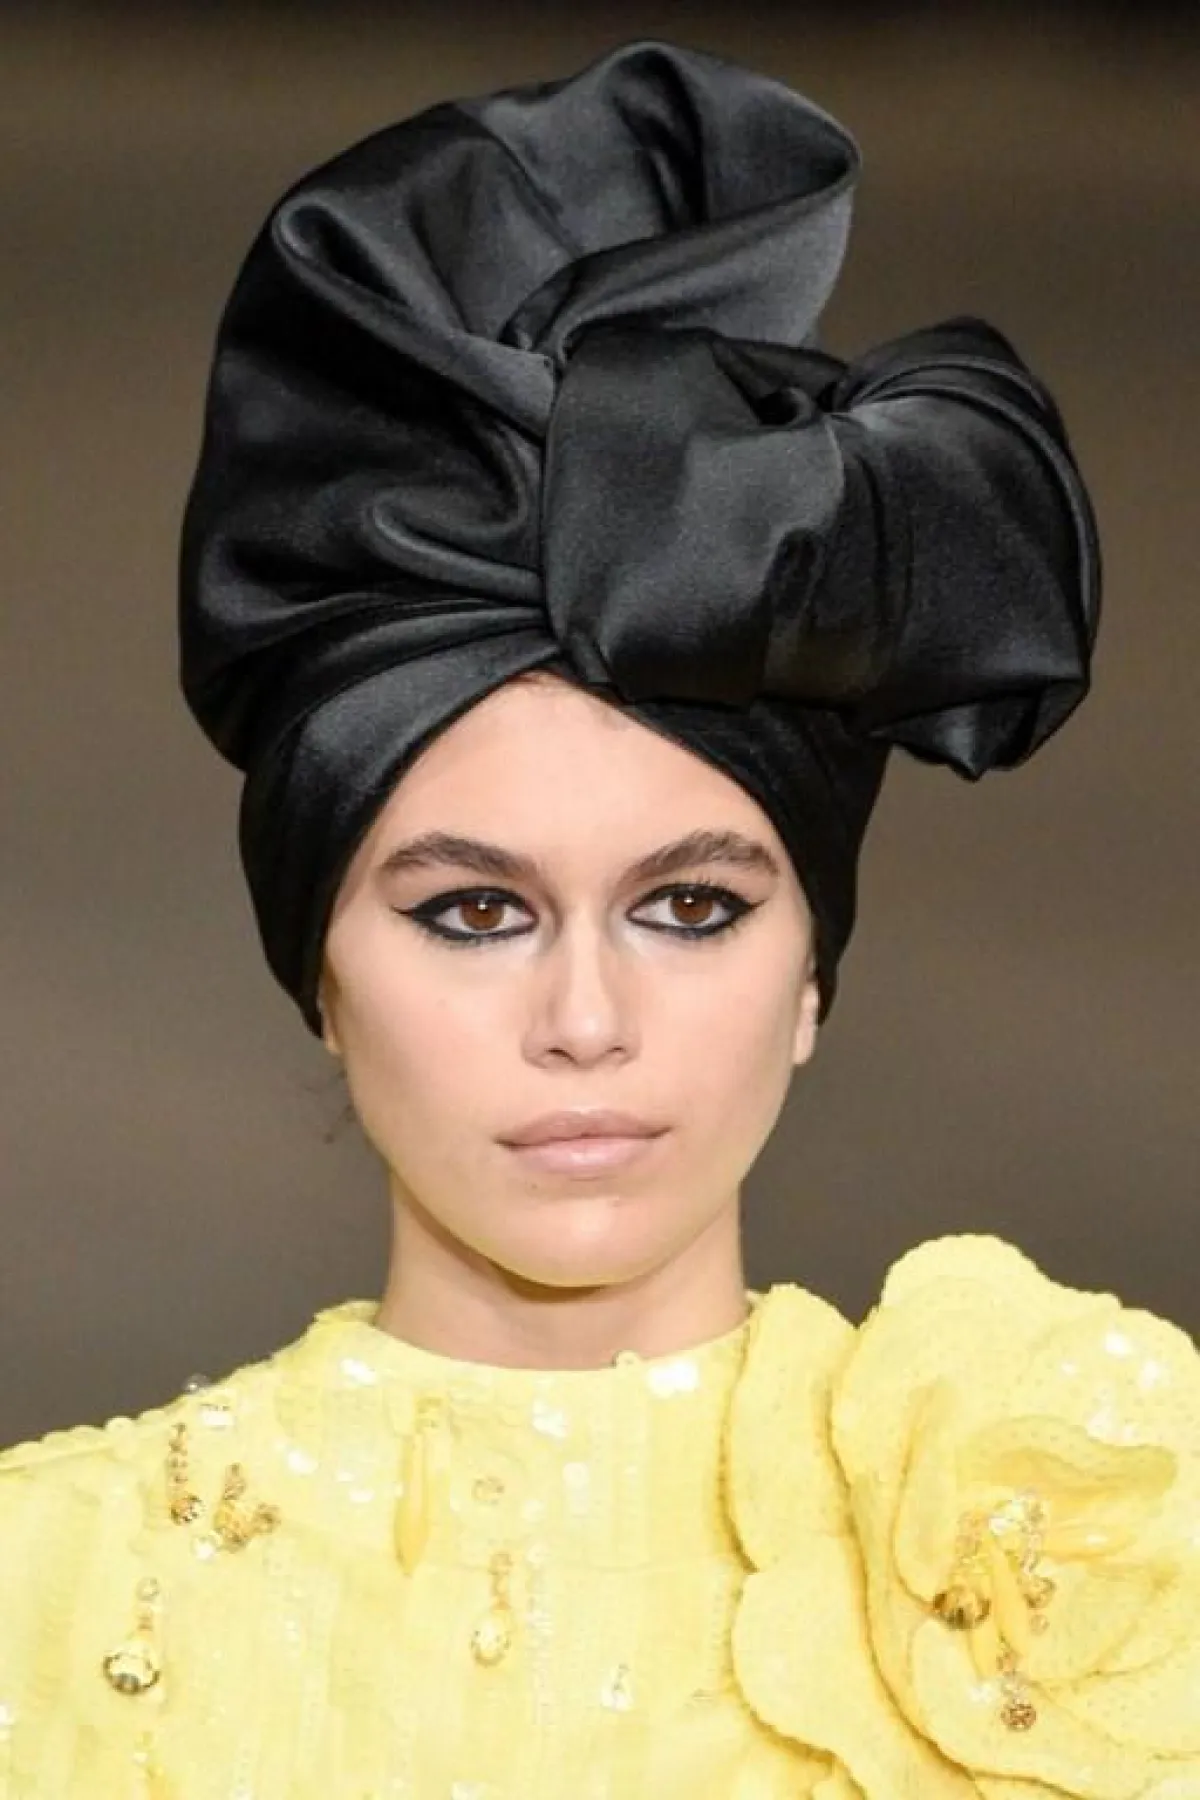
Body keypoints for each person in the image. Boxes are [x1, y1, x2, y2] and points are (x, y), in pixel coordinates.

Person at [1, 39, 1196, 1800]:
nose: (585, 1019)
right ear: (319, 968)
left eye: (692, 906)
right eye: (475, 909)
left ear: (812, 973)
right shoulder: (42, 1599)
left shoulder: (1116, 1534)